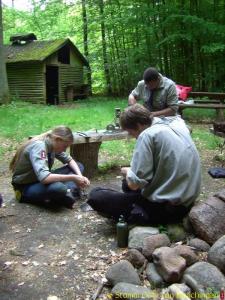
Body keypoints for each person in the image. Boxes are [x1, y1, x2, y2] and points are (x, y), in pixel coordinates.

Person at [88, 104, 201, 224]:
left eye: (131, 133)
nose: (133, 137)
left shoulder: (147, 135)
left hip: (169, 209)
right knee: (125, 184)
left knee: (96, 195)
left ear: (138, 125)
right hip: (188, 200)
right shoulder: (177, 124)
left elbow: (134, 185)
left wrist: (128, 171)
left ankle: (142, 214)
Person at [10, 126, 90, 209]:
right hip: (25, 187)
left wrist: (80, 176)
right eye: (65, 146)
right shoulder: (39, 146)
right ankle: (66, 193)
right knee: (58, 188)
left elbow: (70, 160)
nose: (65, 150)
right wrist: (73, 178)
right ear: (58, 139)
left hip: (40, 179)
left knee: (79, 166)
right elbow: (44, 178)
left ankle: (67, 193)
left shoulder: (52, 144)